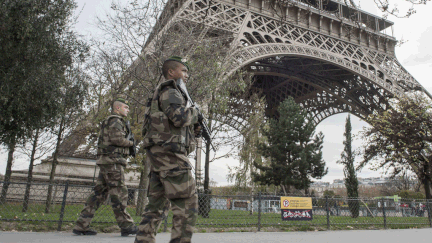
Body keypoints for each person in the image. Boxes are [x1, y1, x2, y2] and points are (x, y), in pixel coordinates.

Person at [135, 56, 201, 243]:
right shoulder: (171, 90)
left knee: (156, 206)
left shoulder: (166, 93)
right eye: (184, 70)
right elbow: (179, 118)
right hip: (169, 155)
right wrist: (196, 112)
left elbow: (173, 124)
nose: (187, 75)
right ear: (171, 72)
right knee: (187, 204)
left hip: (159, 155)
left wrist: (193, 129)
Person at [73, 98, 138, 236]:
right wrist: (131, 144)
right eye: (125, 107)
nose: (128, 110)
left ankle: (81, 225)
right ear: (117, 108)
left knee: (98, 194)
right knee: (119, 193)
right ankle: (126, 225)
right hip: (112, 162)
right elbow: (117, 140)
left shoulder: (111, 121)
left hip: (108, 161)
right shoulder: (115, 120)